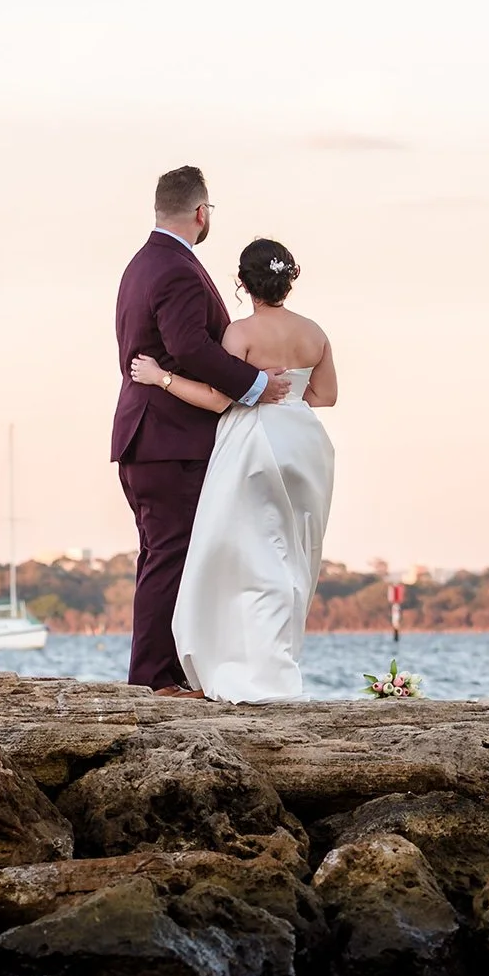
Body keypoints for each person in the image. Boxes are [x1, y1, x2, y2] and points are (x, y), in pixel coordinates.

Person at [110, 167, 295, 693]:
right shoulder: (175, 270)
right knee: (170, 555)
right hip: (169, 439)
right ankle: (153, 680)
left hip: (147, 436)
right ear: (200, 212)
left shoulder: (141, 265)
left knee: (164, 554)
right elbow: (190, 346)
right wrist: (256, 384)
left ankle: (160, 674)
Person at [129, 237, 337, 702]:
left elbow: (220, 397)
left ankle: (227, 670)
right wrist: (291, 395)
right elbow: (325, 397)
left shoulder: (240, 334)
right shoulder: (315, 333)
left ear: (242, 283)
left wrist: (160, 378)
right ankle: (276, 665)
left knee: (236, 555)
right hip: (304, 445)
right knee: (290, 557)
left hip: (253, 444)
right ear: (290, 279)